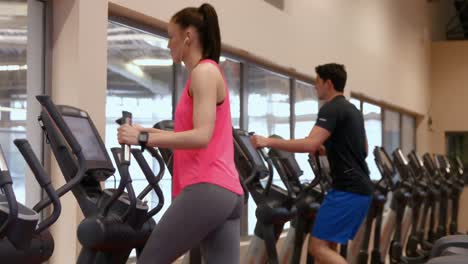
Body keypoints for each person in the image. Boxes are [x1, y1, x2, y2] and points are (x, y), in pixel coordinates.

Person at [117, 3, 244, 264]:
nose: (167, 45)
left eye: (170, 37)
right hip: (227, 194)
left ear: (188, 36)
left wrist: (143, 138)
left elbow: (201, 136)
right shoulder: (206, 73)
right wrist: (144, 130)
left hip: (207, 187)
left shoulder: (204, 72)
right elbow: (195, 130)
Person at [251, 63, 373, 264]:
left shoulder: (331, 109)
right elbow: (363, 150)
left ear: (328, 83)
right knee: (328, 248)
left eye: (317, 82)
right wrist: (330, 149)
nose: (315, 87)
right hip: (358, 189)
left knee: (317, 247)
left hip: (347, 190)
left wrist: (267, 141)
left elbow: (310, 143)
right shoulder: (352, 110)